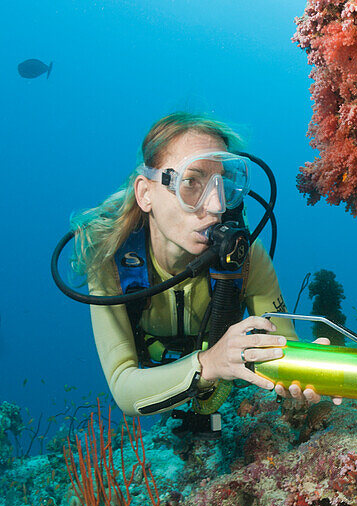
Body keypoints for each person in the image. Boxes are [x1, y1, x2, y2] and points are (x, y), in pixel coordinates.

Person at [69, 112, 340, 421]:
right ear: (145, 193)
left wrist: (312, 367)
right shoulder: (110, 261)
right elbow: (124, 389)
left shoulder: (245, 254)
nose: (215, 206)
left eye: (223, 184)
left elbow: (283, 344)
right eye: (191, 182)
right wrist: (210, 364)